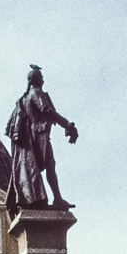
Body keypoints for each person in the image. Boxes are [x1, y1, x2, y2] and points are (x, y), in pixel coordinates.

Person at [5, 64, 78, 211]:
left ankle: (53, 198)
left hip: (31, 140)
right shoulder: (35, 93)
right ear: (37, 80)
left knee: (45, 168)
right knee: (50, 166)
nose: (43, 80)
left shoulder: (24, 98)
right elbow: (46, 110)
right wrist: (67, 125)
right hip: (38, 137)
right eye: (41, 78)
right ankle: (57, 199)